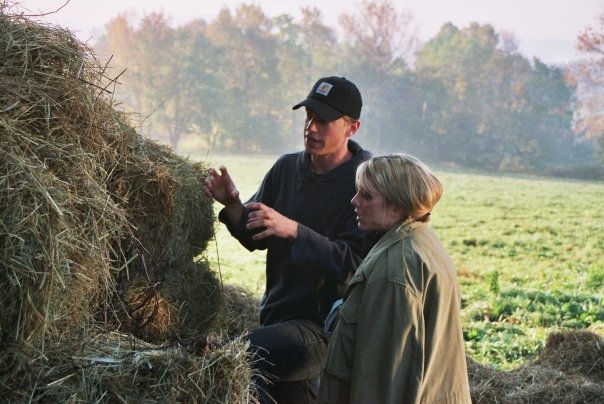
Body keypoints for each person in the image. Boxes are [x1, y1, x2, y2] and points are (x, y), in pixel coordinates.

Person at [203, 76, 372, 403]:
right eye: (309, 118)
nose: (311, 128)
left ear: (353, 128)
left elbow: (354, 266)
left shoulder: (367, 182)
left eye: (324, 121)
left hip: (322, 329)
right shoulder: (286, 168)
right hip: (277, 321)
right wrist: (233, 204)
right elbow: (255, 235)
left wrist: (294, 231)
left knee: (235, 359)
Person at [318, 154, 472, 404]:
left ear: (397, 207)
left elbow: (383, 379)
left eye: (367, 196)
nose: (354, 201)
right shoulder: (421, 239)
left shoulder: (394, 269)